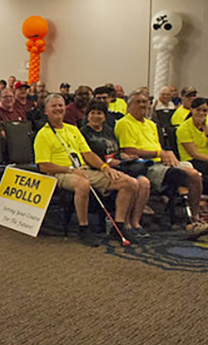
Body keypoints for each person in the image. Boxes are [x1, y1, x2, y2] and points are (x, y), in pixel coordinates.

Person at [34, 94, 140, 246]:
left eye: (61, 105)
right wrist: (70, 170)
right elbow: (43, 166)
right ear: (46, 111)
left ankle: (119, 226)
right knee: (82, 184)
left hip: (83, 169)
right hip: (59, 173)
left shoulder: (73, 130)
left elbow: (88, 154)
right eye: (54, 106)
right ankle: (83, 228)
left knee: (129, 183)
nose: (58, 108)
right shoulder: (43, 135)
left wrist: (104, 167)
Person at [115, 91, 208, 236]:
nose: (142, 105)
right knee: (182, 175)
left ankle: (196, 218)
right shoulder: (124, 123)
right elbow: (129, 149)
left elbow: (158, 148)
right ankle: (187, 221)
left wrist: (166, 154)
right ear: (129, 106)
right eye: (138, 102)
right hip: (144, 164)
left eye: (144, 102)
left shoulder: (151, 124)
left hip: (161, 162)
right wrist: (159, 154)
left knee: (195, 174)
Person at [80, 101, 151, 236]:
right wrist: (109, 163)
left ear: (105, 116)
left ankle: (135, 222)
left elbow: (114, 151)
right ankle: (124, 224)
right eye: (93, 113)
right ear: (87, 116)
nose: (96, 116)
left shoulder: (108, 130)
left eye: (99, 113)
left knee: (144, 183)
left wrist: (124, 156)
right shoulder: (84, 133)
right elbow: (88, 156)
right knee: (133, 183)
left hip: (119, 166)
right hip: (100, 169)